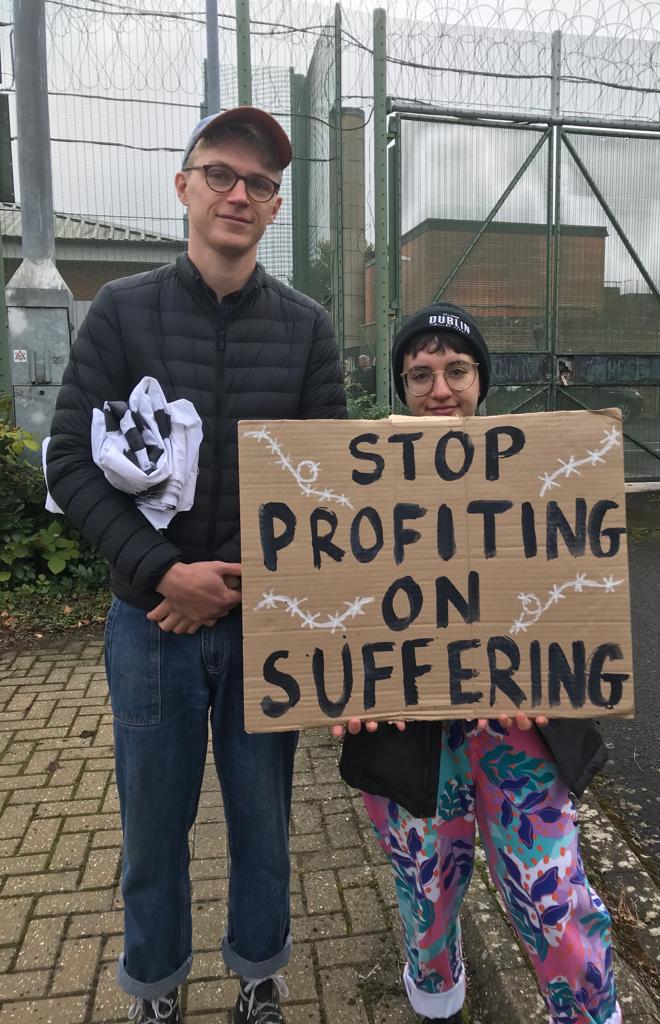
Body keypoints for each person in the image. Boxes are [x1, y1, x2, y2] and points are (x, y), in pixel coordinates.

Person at [46, 106, 346, 1024]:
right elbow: (64, 461)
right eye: (221, 173)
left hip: (266, 627)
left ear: (274, 206)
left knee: (264, 822)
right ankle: (158, 985)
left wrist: (244, 583)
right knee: (150, 831)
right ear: (184, 186)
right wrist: (161, 574)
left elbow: (326, 487)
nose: (239, 194)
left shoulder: (308, 329)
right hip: (151, 625)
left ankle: (258, 971)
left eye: (258, 184)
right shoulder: (120, 313)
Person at [338, 303, 621, 1024]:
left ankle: (589, 1012)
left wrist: (549, 675)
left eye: (457, 370)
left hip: (518, 729)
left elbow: (580, 588)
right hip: (408, 734)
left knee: (552, 899)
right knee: (426, 893)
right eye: (421, 374)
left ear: (481, 380)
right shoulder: (356, 480)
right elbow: (330, 605)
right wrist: (338, 685)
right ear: (401, 389)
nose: (440, 389)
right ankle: (435, 990)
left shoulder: (539, 468)